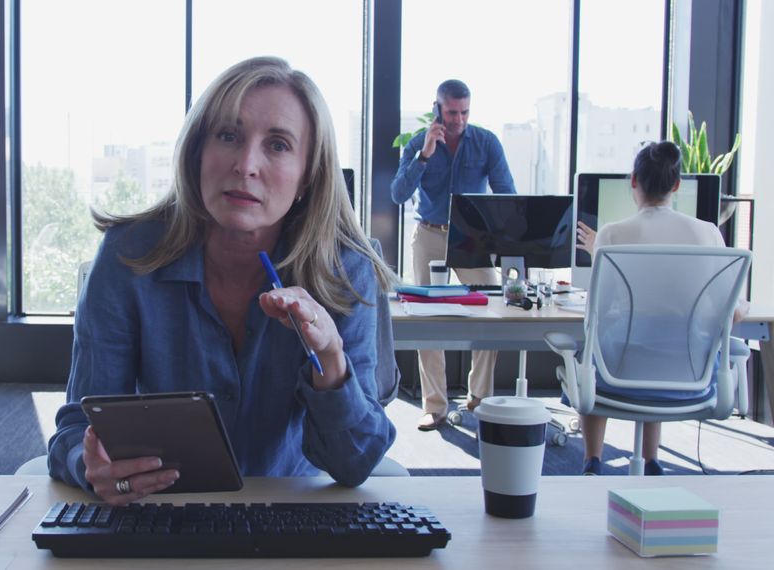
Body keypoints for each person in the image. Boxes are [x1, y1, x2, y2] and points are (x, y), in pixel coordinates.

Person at [47, 56, 398, 504]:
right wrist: (90, 464)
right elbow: (78, 428)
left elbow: (354, 463)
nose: (245, 165)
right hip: (164, 510)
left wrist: (329, 357)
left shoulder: (345, 267)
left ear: (307, 177)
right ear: (197, 151)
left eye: (278, 145)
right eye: (228, 136)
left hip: (291, 516)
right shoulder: (128, 255)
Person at [575, 140, 749, 476]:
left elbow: (597, 313)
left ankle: (592, 459)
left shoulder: (611, 234)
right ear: (677, 184)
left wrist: (598, 251)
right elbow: (734, 312)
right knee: (660, 342)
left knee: (599, 353)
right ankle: (651, 461)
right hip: (690, 378)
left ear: (633, 180)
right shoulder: (708, 233)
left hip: (618, 378)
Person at [390, 79, 516, 431]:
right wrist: (425, 155)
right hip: (429, 234)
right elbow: (398, 194)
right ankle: (435, 405)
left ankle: (479, 398)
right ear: (437, 109)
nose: (458, 119)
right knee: (425, 318)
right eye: (451, 112)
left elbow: (506, 193)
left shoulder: (486, 142)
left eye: (464, 112)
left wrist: (500, 239)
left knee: (490, 310)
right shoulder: (419, 144)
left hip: (472, 238)